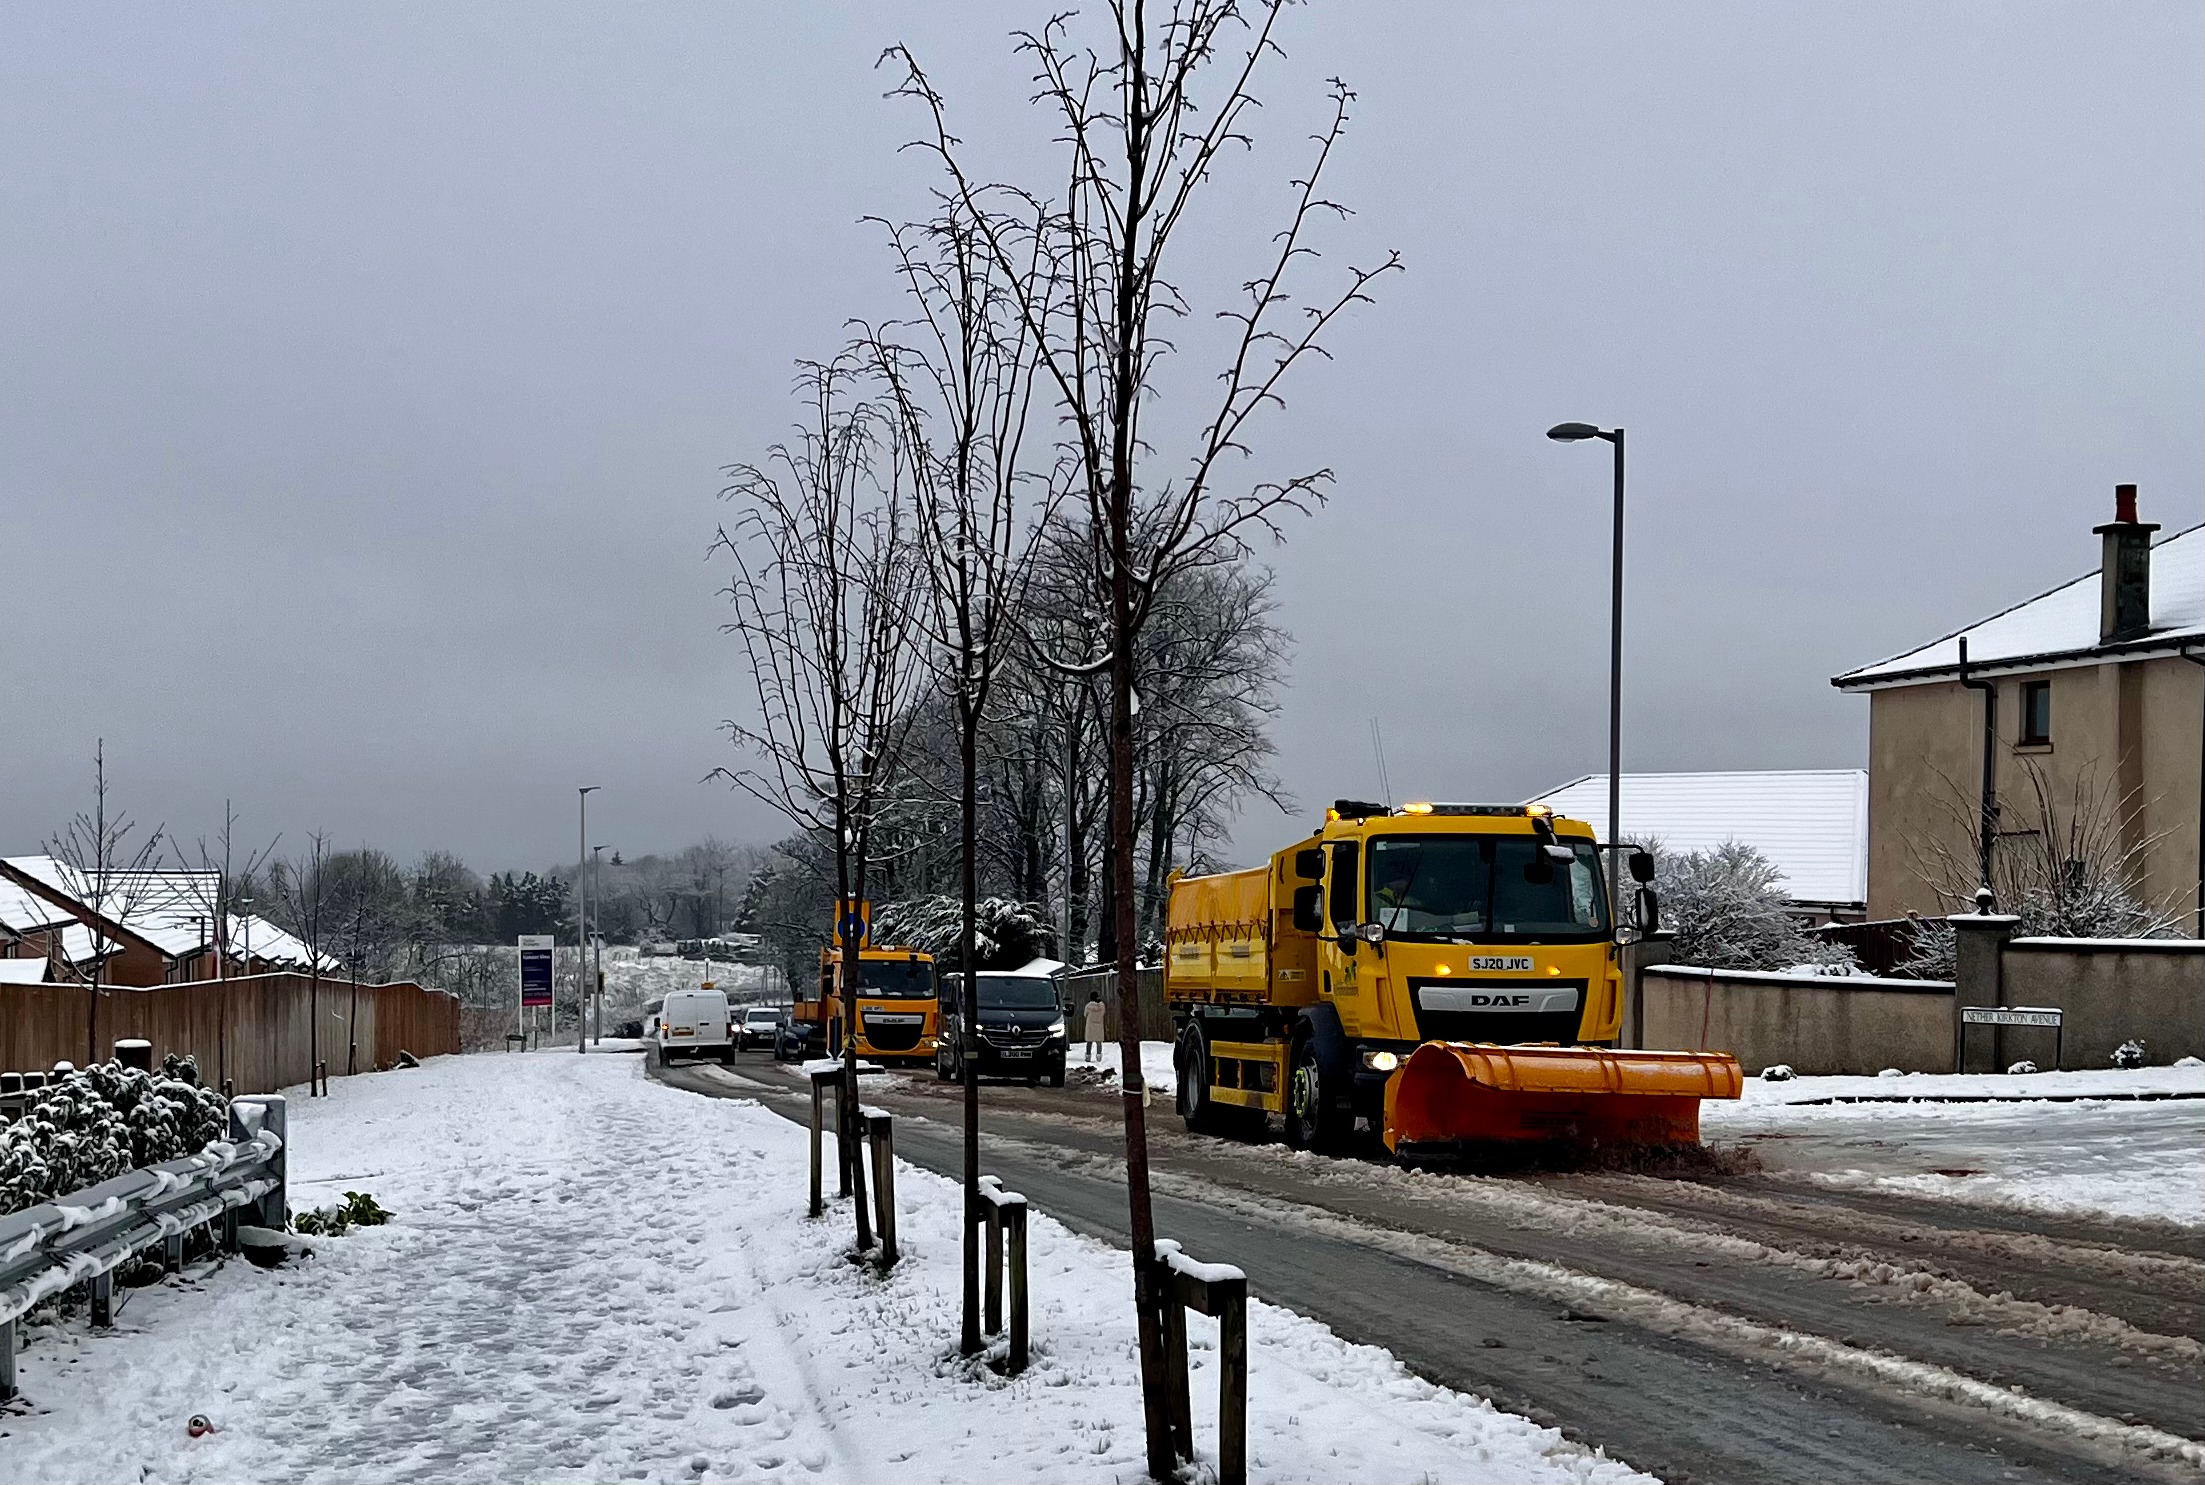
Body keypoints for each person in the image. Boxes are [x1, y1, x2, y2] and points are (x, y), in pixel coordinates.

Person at [1081, 991, 1106, 1063]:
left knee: (1089, 1041)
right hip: (1099, 1025)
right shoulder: (1102, 1006)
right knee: (1099, 1041)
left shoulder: (1088, 1006)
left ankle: (1088, 1056)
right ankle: (1099, 1056)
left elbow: (1085, 1014)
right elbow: (1103, 1013)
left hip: (1090, 1025)